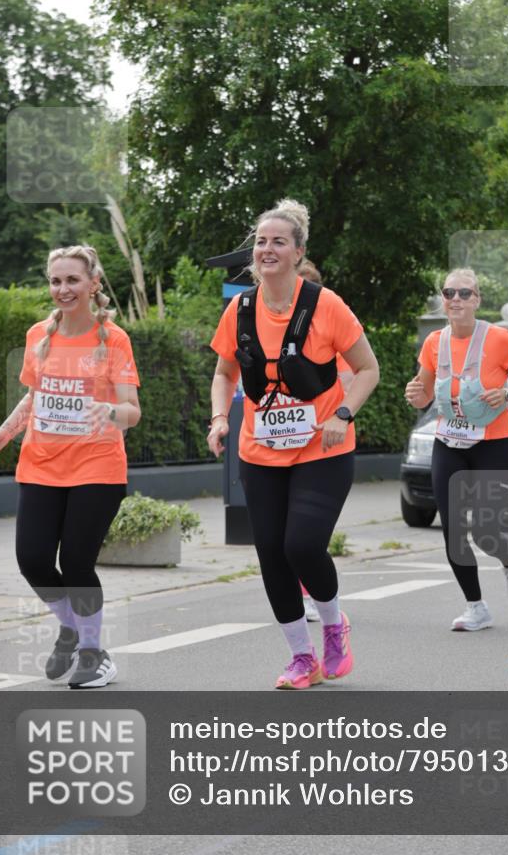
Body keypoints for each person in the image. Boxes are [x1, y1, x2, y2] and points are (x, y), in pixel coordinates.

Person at [208, 199, 379, 688]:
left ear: (298, 251)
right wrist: (219, 419)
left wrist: (343, 414)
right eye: (261, 242)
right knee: (271, 553)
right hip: (260, 451)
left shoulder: (326, 305)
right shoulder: (240, 309)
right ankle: (302, 658)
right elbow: (223, 373)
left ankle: (334, 626)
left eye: (278, 242)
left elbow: (368, 369)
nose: (267, 249)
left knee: (302, 546)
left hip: (323, 449)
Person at [0, 245, 141, 687]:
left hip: (97, 468)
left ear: (93, 284)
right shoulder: (38, 335)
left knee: (76, 562)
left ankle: (94, 654)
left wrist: (108, 411)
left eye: (72, 280)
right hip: (41, 466)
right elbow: (35, 398)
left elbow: (132, 411)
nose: (63, 289)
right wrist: (2, 433)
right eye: (55, 281)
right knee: (32, 559)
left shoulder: (114, 340)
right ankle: (71, 627)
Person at [405, 268, 508, 631]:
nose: (456, 299)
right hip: (448, 441)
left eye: (465, 293)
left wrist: (507, 393)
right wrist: (415, 393)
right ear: (443, 300)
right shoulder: (434, 342)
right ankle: (475, 607)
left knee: (484, 530)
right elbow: (424, 393)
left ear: (477, 299)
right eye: (449, 293)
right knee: (452, 527)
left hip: (493, 443)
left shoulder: (499, 339)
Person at [297, 259, 353, 622]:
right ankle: (302, 594)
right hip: (279, 449)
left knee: (306, 537)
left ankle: (317, 596)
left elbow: (350, 380)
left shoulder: (330, 331)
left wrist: (328, 411)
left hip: (322, 447)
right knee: (284, 535)